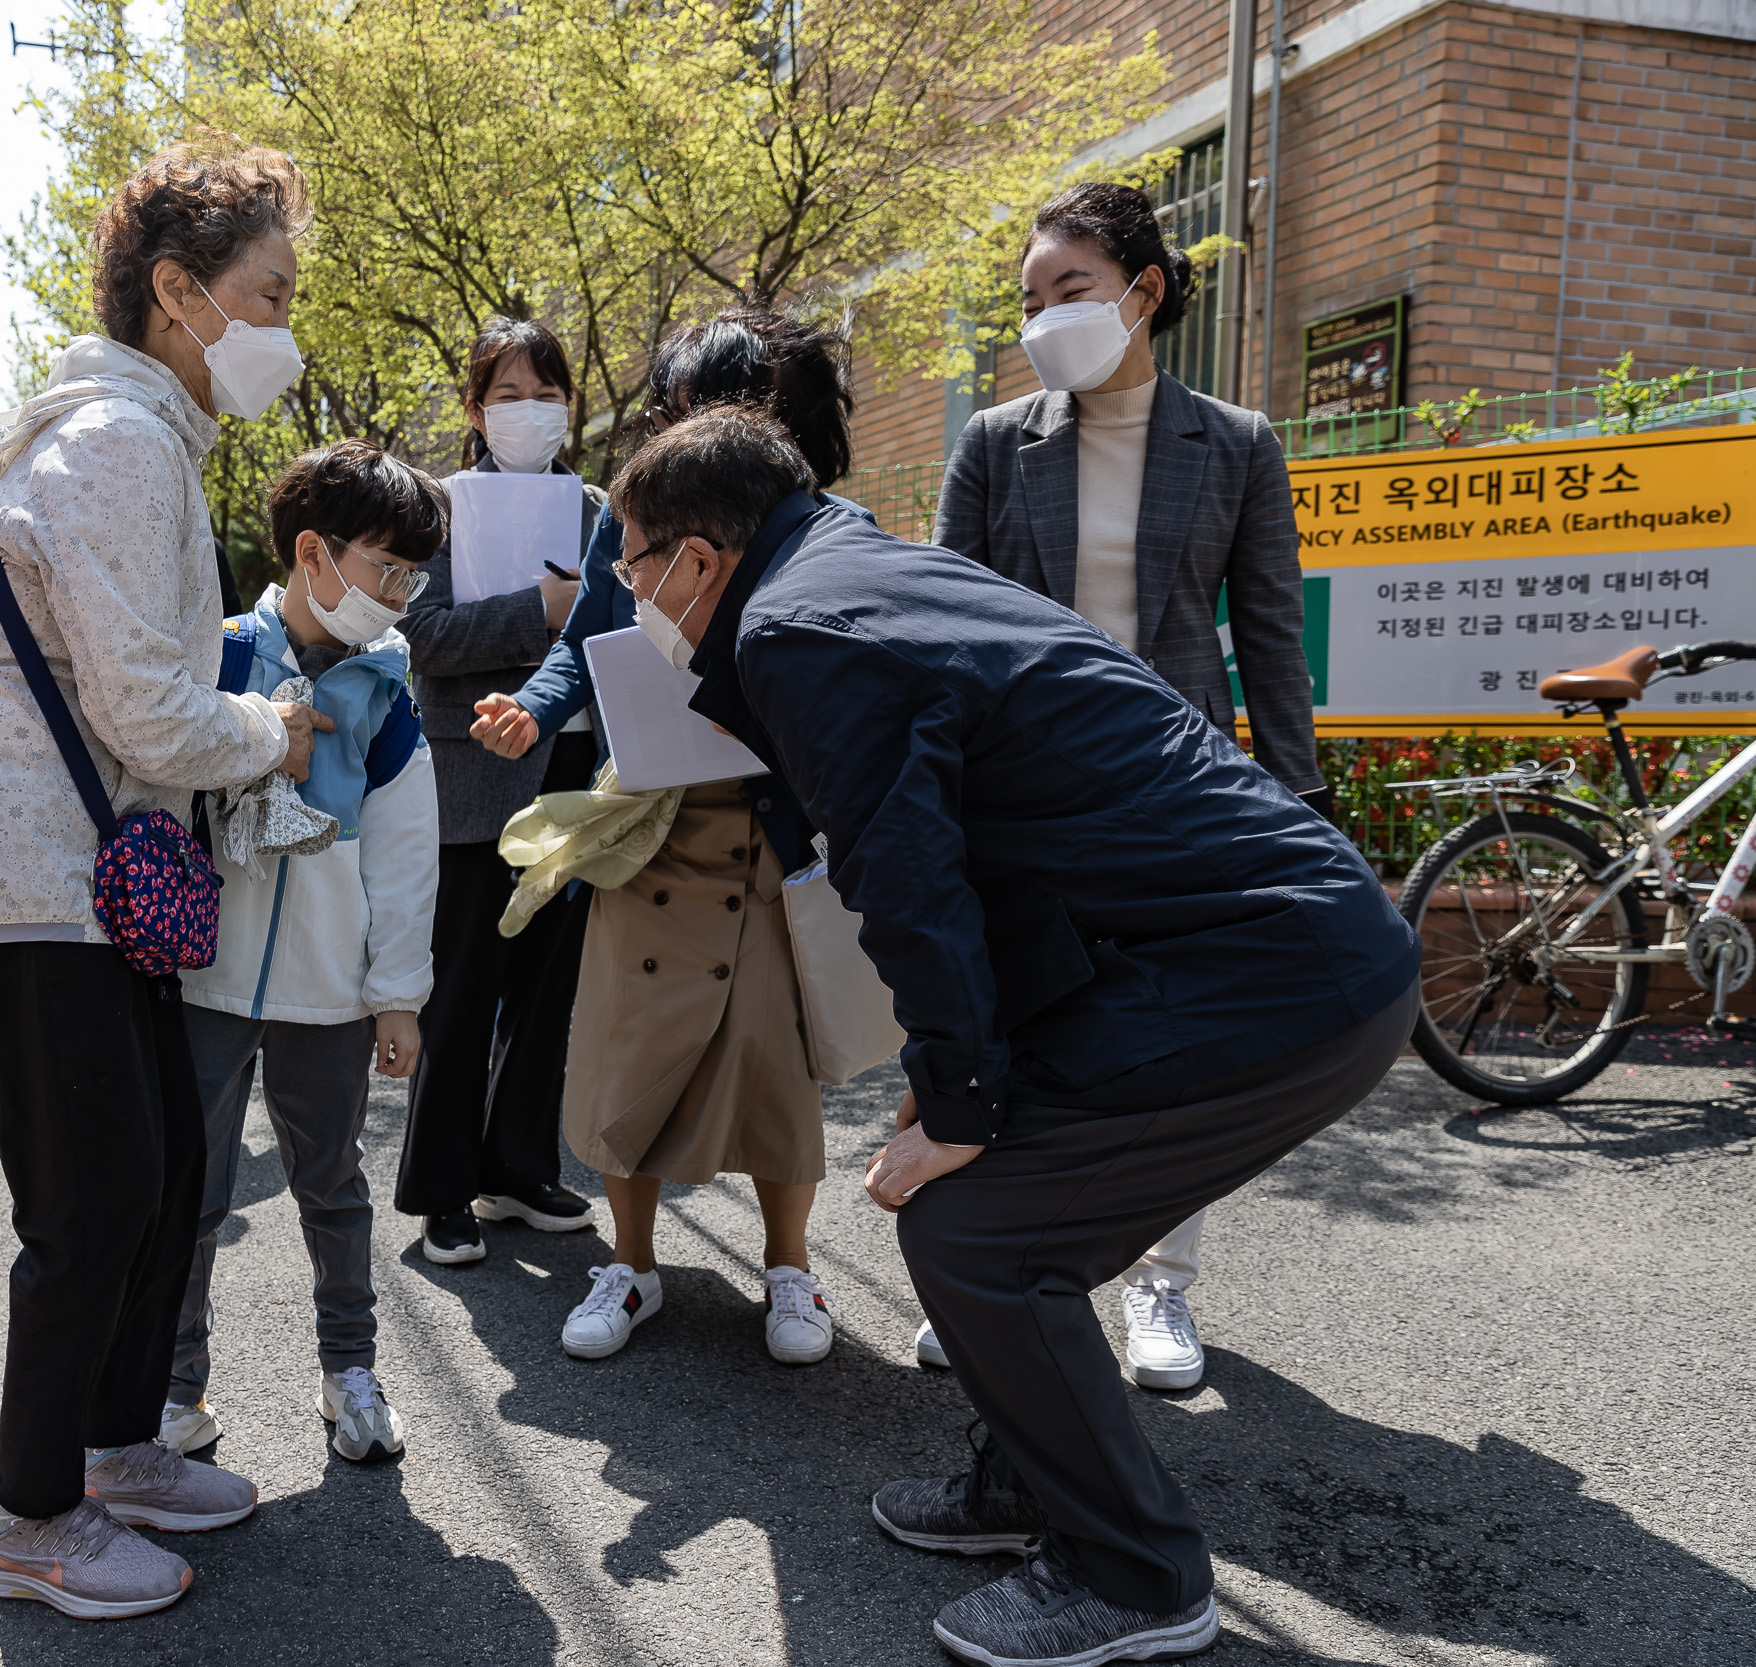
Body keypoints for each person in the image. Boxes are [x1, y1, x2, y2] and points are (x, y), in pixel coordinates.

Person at [605, 406, 1419, 1667]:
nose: (630, 597)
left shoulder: (798, 626)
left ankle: (1134, 1571)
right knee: (1001, 1197)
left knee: (979, 1228)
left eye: (631, 566)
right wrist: (960, 1083)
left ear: (697, 559)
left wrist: (966, 1101)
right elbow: (982, 854)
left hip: (1269, 975)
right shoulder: (853, 571)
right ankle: (1029, 1486)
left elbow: (906, 875)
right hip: (1258, 947)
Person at [0, 136, 336, 1622]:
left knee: (158, 1178)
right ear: (179, 292)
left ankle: (111, 1448)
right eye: (269, 292)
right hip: (39, 891)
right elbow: (149, 709)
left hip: (76, 886)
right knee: (96, 1201)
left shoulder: (136, 435)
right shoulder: (115, 445)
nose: (287, 325)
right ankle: (26, 1515)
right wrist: (275, 733)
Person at [927, 182, 1333, 1395]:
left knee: (1172, 1029)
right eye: (1030, 298)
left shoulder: (1238, 442)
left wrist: (1299, 800)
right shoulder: (996, 441)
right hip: (1023, 773)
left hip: (1177, 777)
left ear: (1143, 293)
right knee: (1008, 1015)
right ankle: (979, 1273)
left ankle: (1160, 1281)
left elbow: (1267, 631)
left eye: (1073, 289)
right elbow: (939, 619)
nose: (1046, 315)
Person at [467, 309, 860, 1365]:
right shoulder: (631, 510)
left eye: (695, 411)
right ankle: (629, 1263)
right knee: (623, 1046)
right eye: (667, 410)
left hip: (764, 821)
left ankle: (791, 1269)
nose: (672, 431)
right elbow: (586, 640)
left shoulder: (816, 523)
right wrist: (534, 711)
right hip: (645, 809)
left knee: (772, 1055)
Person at [163, 441, 444, 1465]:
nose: (399, 594)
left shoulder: (388, 696)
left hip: (330, 989)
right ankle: (173, 1385)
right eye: (387, 567)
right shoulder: (222, 653)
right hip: (202, 972)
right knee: (187, 1188)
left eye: (413, 575)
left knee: (332, 1183)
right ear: (313, 552)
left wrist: (397, 994)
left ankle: (350, 1370)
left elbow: (407, 858)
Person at [391, 317, 601, 1266]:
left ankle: (518, 1167)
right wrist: (539, 613)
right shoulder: (438, 506)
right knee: (463, 980)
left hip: (575, 763)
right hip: (472, 765)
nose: (529, 410)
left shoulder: (599, 506)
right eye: (507, 394)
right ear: (475, 410)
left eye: (545, 392)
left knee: (548, 984)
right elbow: (422, 637)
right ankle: (441, 1189)